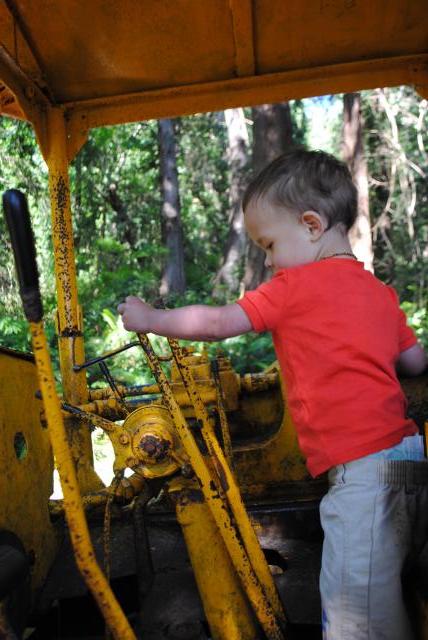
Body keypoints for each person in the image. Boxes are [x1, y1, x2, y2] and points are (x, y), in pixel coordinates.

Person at [118, 149, 428, 639]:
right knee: (395, 598)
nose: (268, 259)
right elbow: (414, 363)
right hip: (411, 463)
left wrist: (152, 320)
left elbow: (219, 323)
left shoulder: (294, 286)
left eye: (269, 244)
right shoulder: (381, 294)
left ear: (311, 225)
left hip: (362, 476)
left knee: (357, 621)